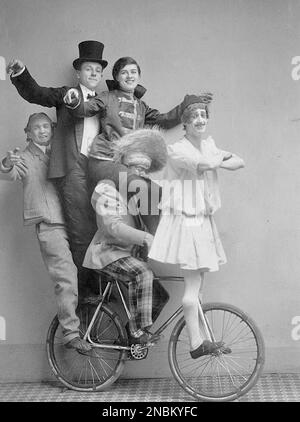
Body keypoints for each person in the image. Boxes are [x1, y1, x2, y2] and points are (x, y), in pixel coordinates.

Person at [5, 40, 109, 297]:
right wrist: (21, 74)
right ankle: (87, 299)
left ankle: (106, 299)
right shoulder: (66, 95)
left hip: (98, 172)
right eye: (88, 69)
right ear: (78, 73)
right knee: (81, 234)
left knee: (105, 231)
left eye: (98, 70)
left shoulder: (106, 102)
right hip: (73, 171)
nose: (93, 73)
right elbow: (36, 93)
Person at [64, 56, 212, 234]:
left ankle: (159, 243)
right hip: (103, 161)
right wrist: (73, 101)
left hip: (127, 165)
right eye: (124, 72)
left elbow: (165, 121)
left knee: (157, 192)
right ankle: (158, 242)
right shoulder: (107, 97)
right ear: (117, 77)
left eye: (133, 72)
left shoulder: (141, 106)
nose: (129, 76)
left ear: (139, 76)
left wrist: (190, 103)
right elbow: (85, 109)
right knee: (141, 187)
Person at [148, 95, 245, 358]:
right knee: (192, 286)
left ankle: (201, 338)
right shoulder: (178, 149)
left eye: (203, 115)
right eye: (194, 117)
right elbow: (202, 165)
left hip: (201, 219)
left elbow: (239, 161)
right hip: (185, 220)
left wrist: (218, 158)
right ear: (185, 123)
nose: (200, 120)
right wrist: (217, 159)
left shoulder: (208, 144)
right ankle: (195, 344)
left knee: (199, 284)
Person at [0, 112, 91, 352]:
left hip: (74, 223)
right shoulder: (25, 157)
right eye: (36, 128)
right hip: (51, 225)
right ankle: (71, 333)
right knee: (66, 277)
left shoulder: (58, 154)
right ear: (27, 133)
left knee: (89, 270)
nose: (42, 130)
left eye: (45, 126)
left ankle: (92, 323)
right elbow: (10, 173)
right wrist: (8, 163)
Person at [83, 128, 168, 343]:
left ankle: (130, 338)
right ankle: (137, 333)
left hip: (126, 255)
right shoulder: (106, 188)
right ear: (124, 168)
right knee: (143, 274)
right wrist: (145, 238)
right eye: (136, 168)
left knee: (160, 296)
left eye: (145, 171)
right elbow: (112, 226)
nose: (141, 175)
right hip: (107, 253)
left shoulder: (138, 196)